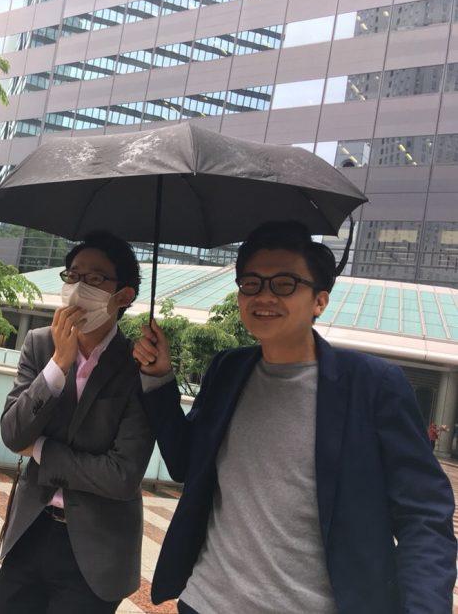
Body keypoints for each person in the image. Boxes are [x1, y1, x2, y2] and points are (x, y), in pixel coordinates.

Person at [134, 221, 457, 614]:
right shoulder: (228, 370)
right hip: (207, 601)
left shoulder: (373, 385)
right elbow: (185, 462)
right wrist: (158, 378)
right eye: (250, 283)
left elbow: (423, 515)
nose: (263, 296)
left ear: (320, 301)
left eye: (284, 284)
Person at [0, 231, 155, 614]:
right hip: (30, 530)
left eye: (94, 279)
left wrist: (42, 450)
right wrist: (58, 364)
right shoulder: (40, 344)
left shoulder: (138, 365)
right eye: (73, 275)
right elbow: (13, 434)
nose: (78, 288)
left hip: (97, 550)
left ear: (124, 296)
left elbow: (122, 475)